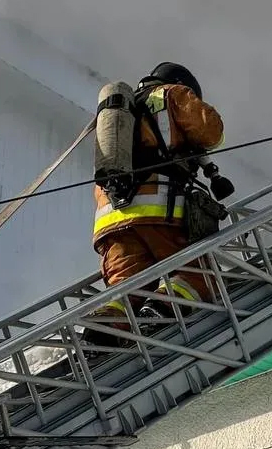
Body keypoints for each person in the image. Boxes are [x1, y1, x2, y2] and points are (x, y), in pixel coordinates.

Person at [85, 62, 225, 343]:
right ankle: (160, 309)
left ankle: (102, 333)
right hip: (158, 211)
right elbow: (211, 132)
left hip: (111, 220)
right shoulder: (171, 94)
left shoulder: (122, 116)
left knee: (126, 289)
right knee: (200, 275)